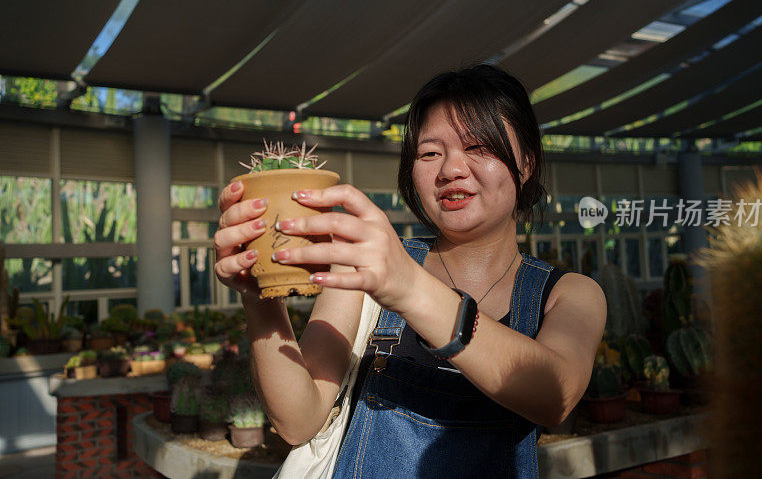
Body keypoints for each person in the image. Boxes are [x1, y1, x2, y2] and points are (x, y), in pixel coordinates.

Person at [213, 63, 607, 478]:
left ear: (525, 163)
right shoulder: (368, 268)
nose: (451, 169)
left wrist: (409, 288)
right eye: (430, 153)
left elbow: (555, 395)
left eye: (478, 148)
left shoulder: (570, 294)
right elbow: (298, 420)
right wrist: (259, 299)